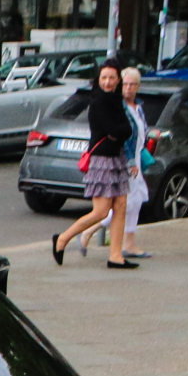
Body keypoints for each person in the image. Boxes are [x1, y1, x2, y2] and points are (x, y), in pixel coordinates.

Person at [55, 61, 136, 269]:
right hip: (101, 161)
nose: (108, 82)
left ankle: (116, 256)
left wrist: (118, 132)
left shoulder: (116, 101)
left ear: (118, 80)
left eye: (112, 78)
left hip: (117, 159)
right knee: (101, 211)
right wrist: (118, 131)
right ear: (98, 80)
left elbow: (126, 130)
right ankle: (62, 239)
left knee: (121, 206)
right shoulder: (99, 102)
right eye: (104, 78)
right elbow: (116, 129)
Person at [118, 65, 151, 261]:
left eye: (132, 84)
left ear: (138, 86)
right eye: (126, 84)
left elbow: (139, 133)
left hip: (137, 157)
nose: (128, 88)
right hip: (128, 160)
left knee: (136, 200)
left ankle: (128, 243)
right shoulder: (121, 108)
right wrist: (131, 161)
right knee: (128, 201)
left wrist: (150, 134)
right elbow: (125, 137)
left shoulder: (138, 107)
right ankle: (88, 230)